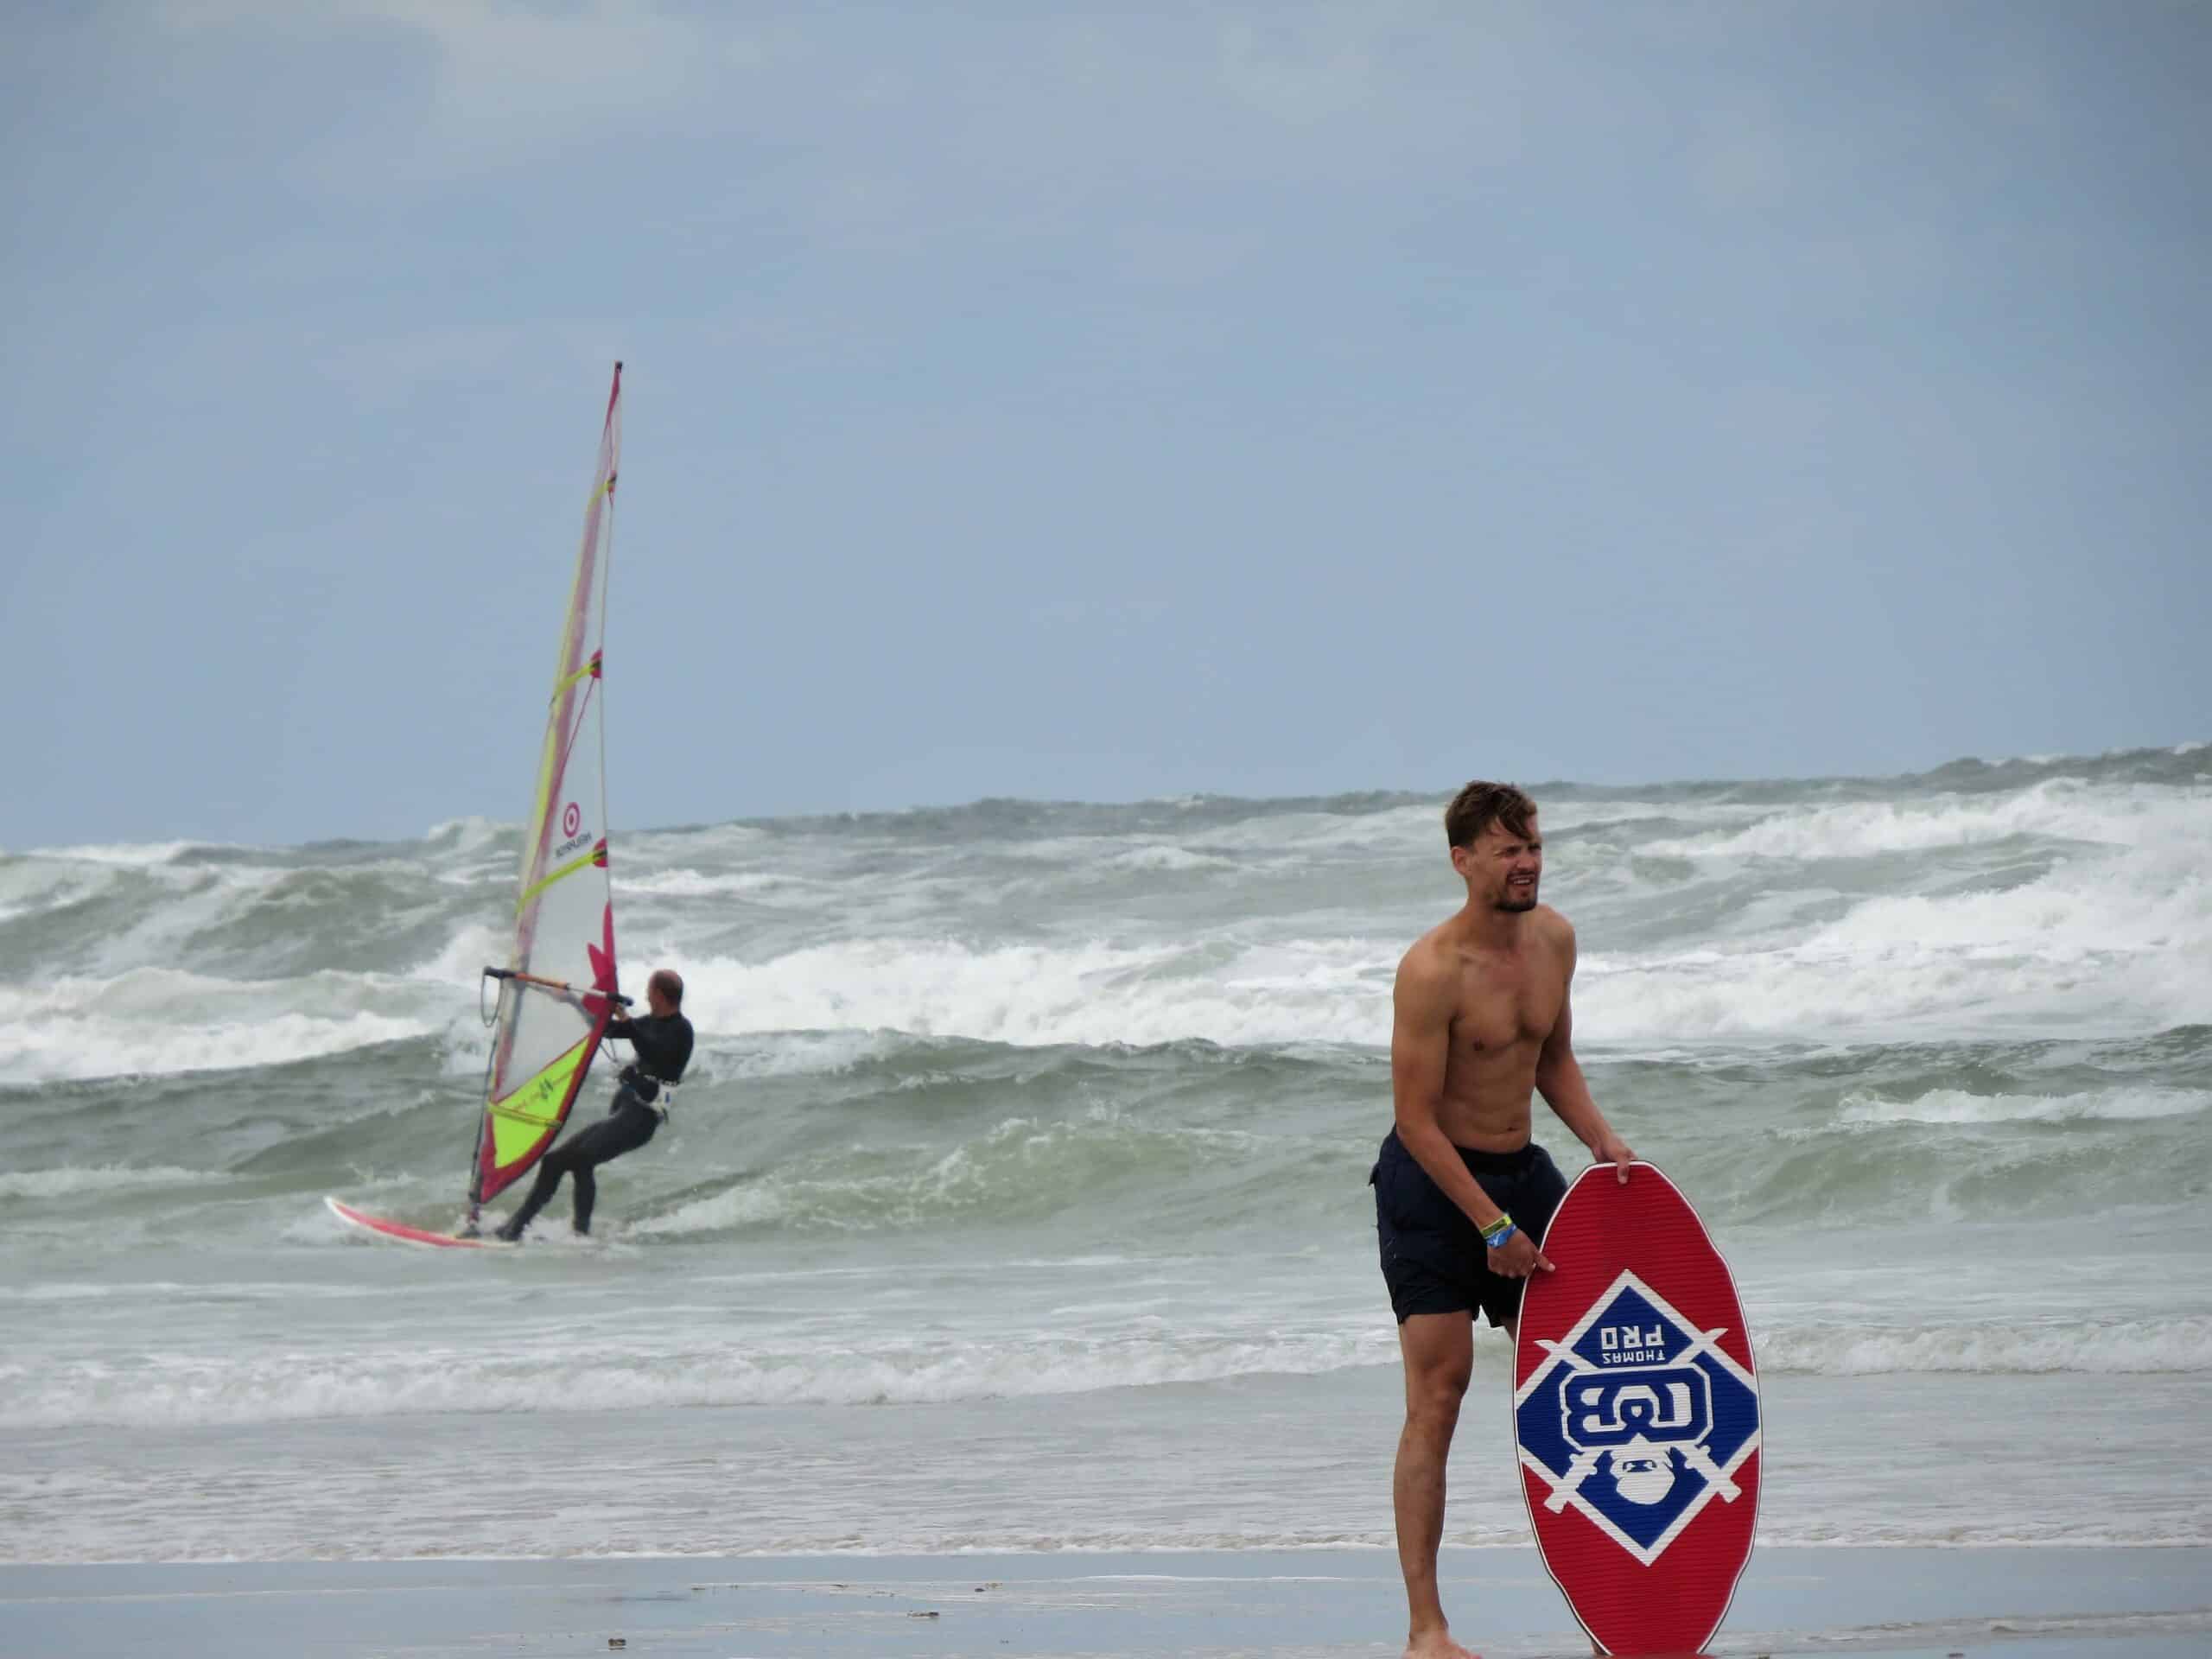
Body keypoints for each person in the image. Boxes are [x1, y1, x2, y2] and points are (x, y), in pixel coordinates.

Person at [1371, 782, 1635, 1659]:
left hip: (1524, 1175)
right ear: (1461, 861)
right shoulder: (1432, 970)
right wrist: (1490, 1228)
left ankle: (1612, 1615)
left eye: (1532, 847)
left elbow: (1549, 1058)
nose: (1525, 864)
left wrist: (1603, 1143)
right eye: (1505, 850)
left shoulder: (1555, 939)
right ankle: (1427, 1630)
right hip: (1433, 1189)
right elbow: (1416, 1120)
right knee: (1438, 1397)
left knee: (1580, 1390)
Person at [498, 968, 694, 1242]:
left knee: (581, 1158)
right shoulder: (649, 1023)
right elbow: (605, 1030)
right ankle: (521, 1226)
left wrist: (627, 1021)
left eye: (650, 990)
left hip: (642, 1118)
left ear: (659, 995)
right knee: (555, 1160)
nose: (646, 996)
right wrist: (571, 1002)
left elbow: (654, 1051)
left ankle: (554, 1232)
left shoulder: (681, 1031)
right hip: (626, 1113)